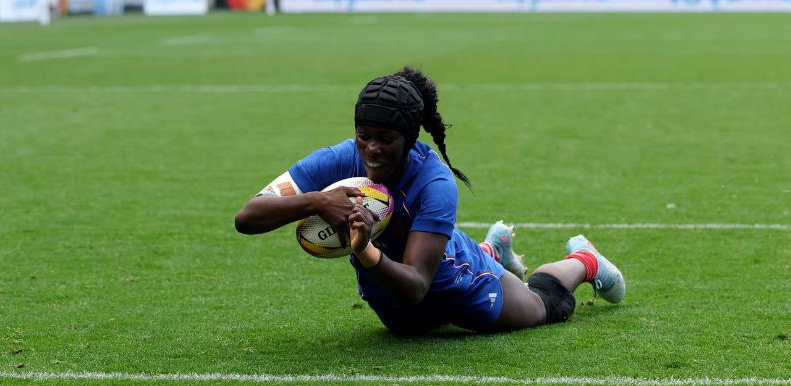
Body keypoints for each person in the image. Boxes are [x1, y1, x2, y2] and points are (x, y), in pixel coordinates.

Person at [235, 67, 625, 333]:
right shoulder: (339, 159)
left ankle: (583, 260)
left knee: (542, 308)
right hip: (394, 307)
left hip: (457, 284)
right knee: (406, 325)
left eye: (385, 140)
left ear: (408, 139)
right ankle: (494, 249)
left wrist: (366, 249)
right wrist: (317, 202)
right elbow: (248, 217)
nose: (371, 150)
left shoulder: (434, 182)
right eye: (363, 135)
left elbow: (418, 287)